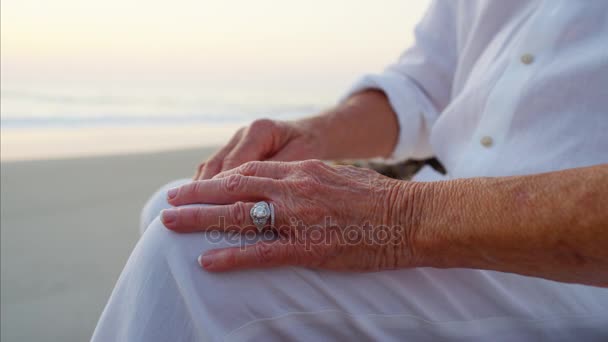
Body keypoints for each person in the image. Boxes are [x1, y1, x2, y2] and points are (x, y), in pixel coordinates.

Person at [92, 1, 608, 340]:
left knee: (188, 256)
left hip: (572, 274)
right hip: (451, 209)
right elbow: (426, 82)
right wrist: (314, 136)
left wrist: (397, 218)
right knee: (181, 204)